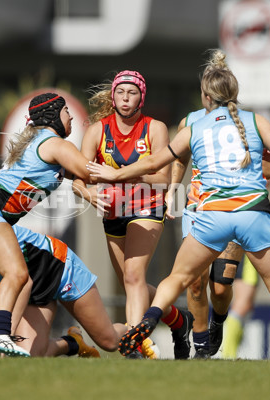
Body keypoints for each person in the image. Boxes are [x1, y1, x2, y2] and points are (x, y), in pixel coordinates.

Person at [88, 49, 270, 362]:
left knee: (177, 279)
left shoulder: (194, 128)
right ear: (235, 93)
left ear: (205, 96)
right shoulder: (256, 121)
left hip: (211, 216)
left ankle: (147, 323)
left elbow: (155, 161)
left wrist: (116, 173)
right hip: (253, 214)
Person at [0, 92, 97, 357]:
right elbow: (89, 171)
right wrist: (124, 170)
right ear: (54, 115)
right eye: (66, 111)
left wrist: (88, 189)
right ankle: (0, 333)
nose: (71, 116)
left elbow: (77, 176)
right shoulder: (55, 143)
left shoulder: (38, 142)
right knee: (18, 274)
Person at [74, 70, 192, 359]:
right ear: (113, 96)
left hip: (147, 206)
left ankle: (132, 343)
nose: (126, 99)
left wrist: (118, 176)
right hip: (113, 210)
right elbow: (78, 179)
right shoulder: (97, 131)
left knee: (133, 275)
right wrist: (89, 195)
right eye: (121, 93)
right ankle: (178, 319)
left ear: (142, 97)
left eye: (133, 93)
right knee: (132, 281)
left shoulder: (155, 128)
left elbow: (163, 178)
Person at [0, 209, 126, 357]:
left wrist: (4, 336)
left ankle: (136, 325)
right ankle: (72, 342)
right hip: (32, 291)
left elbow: (23, 281)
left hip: (59, 269)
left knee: (108, 341)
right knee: (28, 356)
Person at [169, 98, 270, 359]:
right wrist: (173, 189)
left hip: (233, 207)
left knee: (221, 287)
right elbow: (180, 158)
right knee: (195, 282)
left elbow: (268, 169)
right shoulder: (190, 122)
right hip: (197, 209)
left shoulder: (246, 122)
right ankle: (201, 346)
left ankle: (218, 321)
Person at [221, 255, 259, 359]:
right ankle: (228, 354)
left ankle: (231, 352)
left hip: (239, 253)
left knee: (244, 305)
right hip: (247, 255)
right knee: (242, 305)